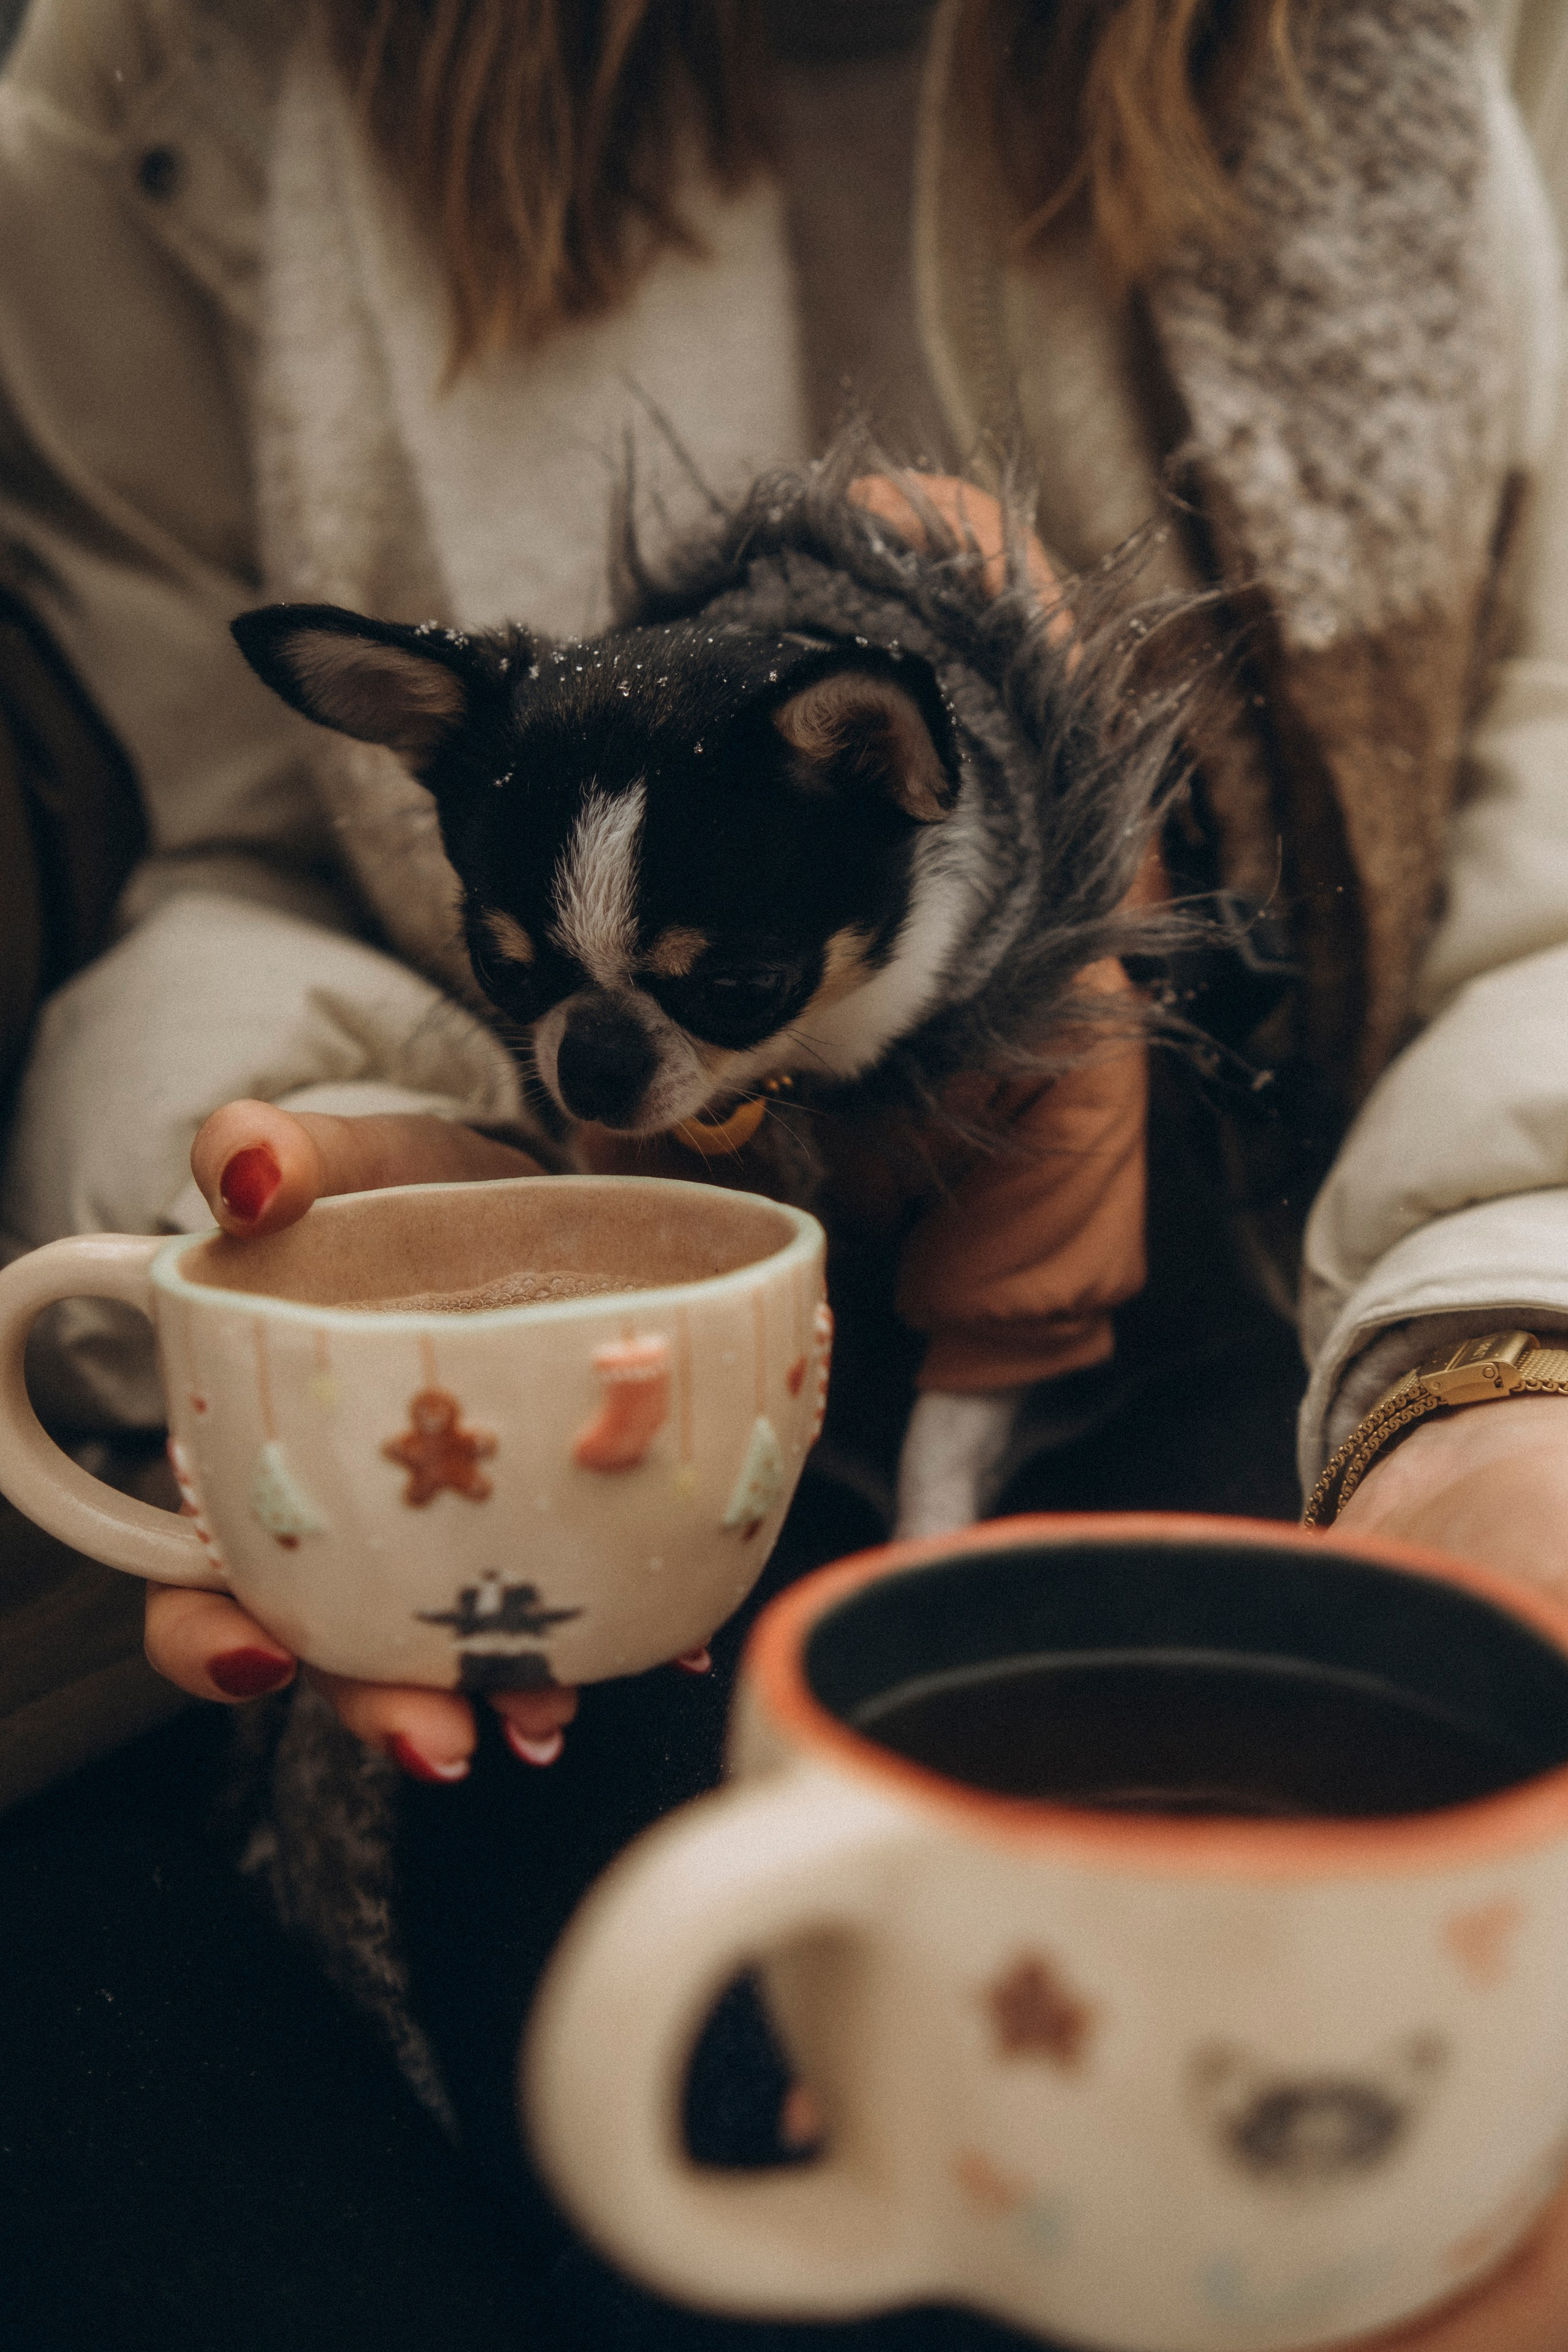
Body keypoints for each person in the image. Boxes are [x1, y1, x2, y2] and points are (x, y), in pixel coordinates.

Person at [5, 1, 1568, 2344]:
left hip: (1314, 1271)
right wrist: (342, 1241)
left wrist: (1505, 1353)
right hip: (611, 1431)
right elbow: (214, 842)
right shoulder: (184, 74)